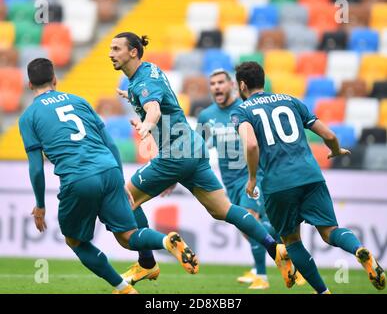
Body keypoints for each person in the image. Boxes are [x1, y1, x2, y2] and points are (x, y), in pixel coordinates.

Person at [109, 32, 298, 289]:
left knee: (124, 198)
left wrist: (146, 124)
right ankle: (275, 249)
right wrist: (136, 105)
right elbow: (154, 101)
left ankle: (147, 263)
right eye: (110, 48)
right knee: (223, 210)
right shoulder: (148, 72)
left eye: (116, 48)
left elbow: (153, 107)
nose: (111, 53)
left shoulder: (143, 83)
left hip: (175, 153)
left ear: (133, 52)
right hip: (193, 150)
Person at [18, 58, 199, 295]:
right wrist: (120, 178)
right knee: (128, 236)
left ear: (29, 84)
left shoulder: (28, 117)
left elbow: (36, 168)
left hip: (78, 177)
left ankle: (123, 289)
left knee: (75, 241)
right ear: (55, 79)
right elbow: (110, 142)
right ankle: (166, 242)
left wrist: (40, 205)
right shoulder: (79, 101)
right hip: (109, 168)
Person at [231, 61, 386, 293]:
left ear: (242, 85)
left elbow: (251, 145)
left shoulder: (242, 111)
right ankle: (358, 250)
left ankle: (323, 291)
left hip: (278, 183)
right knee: (330, 231)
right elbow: (329, 134)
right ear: (263, 80)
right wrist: (335, 150)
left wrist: (252, 178)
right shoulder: (291, 101)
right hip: (311, 176)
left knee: (291, 241)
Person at [196, 69, 282, 289]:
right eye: (212, 83)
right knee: (246, 226)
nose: (216, 87)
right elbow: (196, 149)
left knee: (249, 218)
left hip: (252, 175)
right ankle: (282, 242)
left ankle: (261, 276)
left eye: (220, 82)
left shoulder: (245, 109)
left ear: (233, 85)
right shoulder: (206, 116)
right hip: (229, 180)